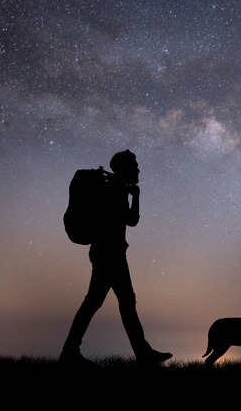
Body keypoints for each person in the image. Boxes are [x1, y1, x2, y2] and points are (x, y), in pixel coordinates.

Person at [59, 150, 172, 366]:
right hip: (110, 254)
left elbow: (130, 220)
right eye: (134, 165)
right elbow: (131, 220)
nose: (138, 169)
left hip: (109, 252)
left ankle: (71, 352)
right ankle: (141, 353)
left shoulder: (116, 187)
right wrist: (134, 197)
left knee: (101, 303)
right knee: (115, 303)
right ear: (123, 168)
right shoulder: (114, 188)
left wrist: (135, 196)